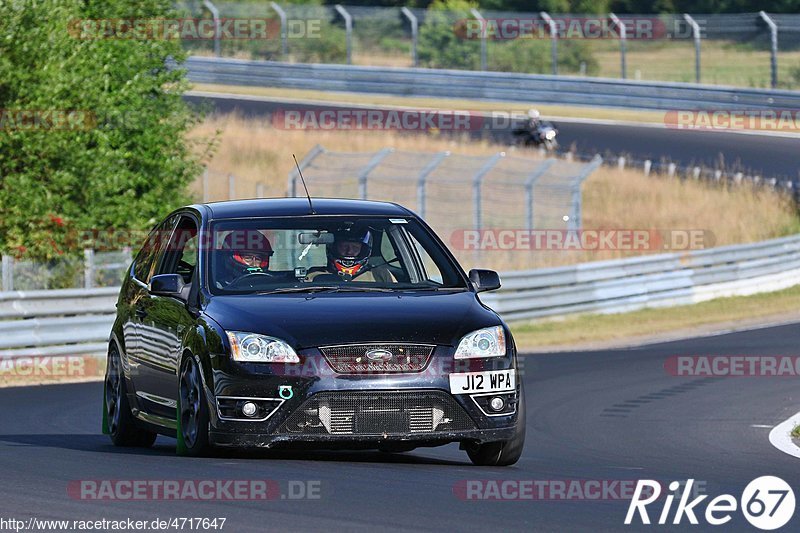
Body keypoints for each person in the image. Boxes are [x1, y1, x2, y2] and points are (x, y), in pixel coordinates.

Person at [308, 229, 396, 283]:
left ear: (364, 250)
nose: (349, 251)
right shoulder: (314, 276)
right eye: (344, 246)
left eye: (355, 247)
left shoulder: (380, 275)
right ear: (333, 248)